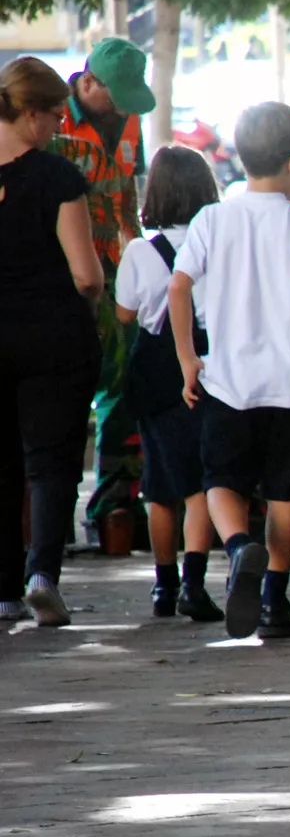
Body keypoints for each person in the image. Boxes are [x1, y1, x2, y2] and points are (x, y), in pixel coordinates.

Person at [168, 102, 290, 640]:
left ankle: (241, 547)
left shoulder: (213, 219)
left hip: (227, 383)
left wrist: (187, 359)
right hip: (289, 386)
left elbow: (178, 287)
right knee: (286, 494)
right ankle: (274, 601)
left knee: (221, 481)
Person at [0, 58, 106, 626]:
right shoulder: (58, 178)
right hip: (51, 337)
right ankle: (42, 573)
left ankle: (3, 589)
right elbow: (86, 274)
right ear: (31, 114)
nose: (60, 128)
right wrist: (86, 313)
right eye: (55, 117)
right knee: (51, 461)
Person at [113, 146, 224, 623]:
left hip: (156, 369)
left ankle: (165, 585)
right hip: (208, 361)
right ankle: (195, 583)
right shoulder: (218, 243)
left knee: (161, 484)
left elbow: (124, 314)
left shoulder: (141, 250)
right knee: (202, 479)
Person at [62, 37, 155, 544]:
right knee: (66, 393)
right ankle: (51, 512)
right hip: (62, 278)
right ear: (88, 82)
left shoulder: (130, 121)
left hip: (117, 275)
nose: (121, 107)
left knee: (121, 388)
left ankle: (114, 505)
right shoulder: (52, 118)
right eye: (114, 96)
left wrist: (140, 257)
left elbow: (127, 198)